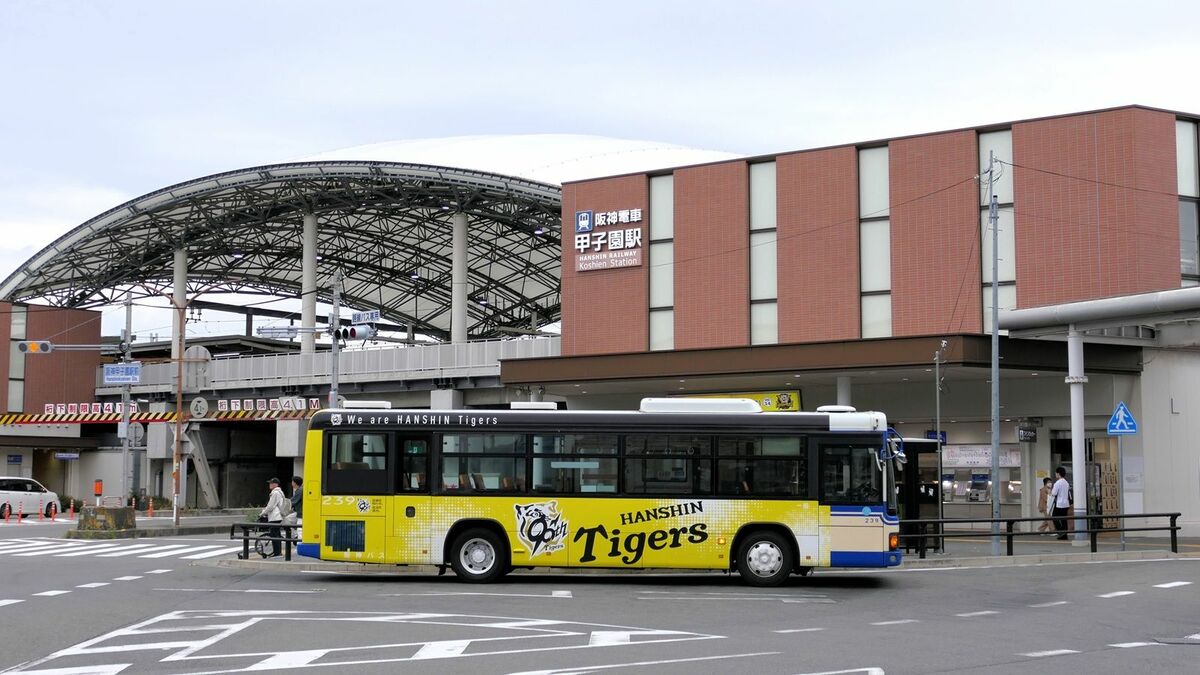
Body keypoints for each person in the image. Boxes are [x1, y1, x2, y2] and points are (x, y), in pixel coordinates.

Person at [259, 477, 287, 557]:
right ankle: (278, 552)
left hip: (275, 516)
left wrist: (262, 513)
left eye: (271, 483)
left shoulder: (275, 493)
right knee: (276, 535)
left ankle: (277, 553)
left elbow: (270, 506)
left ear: (276, 484)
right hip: (278, 516)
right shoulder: (280, 492)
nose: (270, 485)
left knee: (274, 535)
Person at [1050, 466, 1071, 540]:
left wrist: (1051, 491)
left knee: (1054, 517)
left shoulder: (1057, 483)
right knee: (1064, 519)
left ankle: (1060, 532)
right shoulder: (1066, 482)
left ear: (1058, 474)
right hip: (1066, 504)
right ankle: (1064, 535)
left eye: (1056, 473)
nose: (1055, 475)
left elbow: (1053, 493)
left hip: (1059, 504)